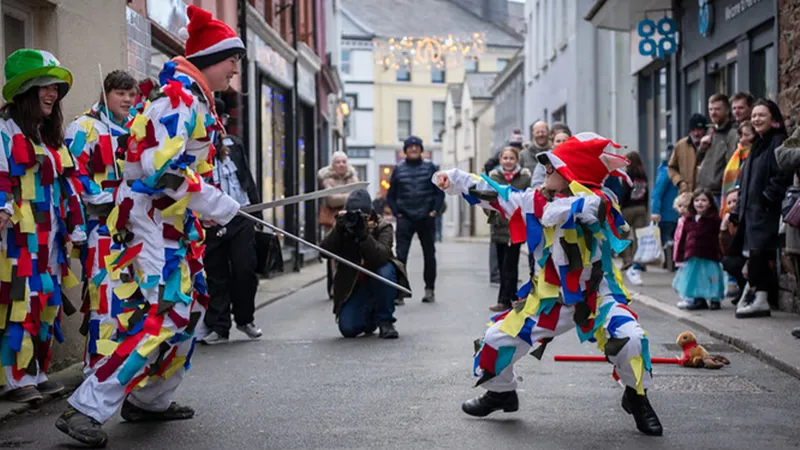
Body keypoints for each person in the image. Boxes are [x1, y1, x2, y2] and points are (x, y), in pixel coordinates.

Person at [57, 6, 246, 447]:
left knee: (191, 310)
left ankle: (150, 402)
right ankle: (85, 407)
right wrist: (215, 201)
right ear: (208, 59)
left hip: (177, 224)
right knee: (165, 314)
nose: (236, 68)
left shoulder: (195, 100)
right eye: (230, 59)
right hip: (151, 223)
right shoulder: (176, 101)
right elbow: (152, 171)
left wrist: (211, 203)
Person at [434, 132, 663, 437]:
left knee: (632, 339)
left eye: (553, 167)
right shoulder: (534, 200)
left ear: (573, 174)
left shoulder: (601, 199)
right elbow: (496, 192)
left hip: (596, 297)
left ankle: (637, 398)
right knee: (494, 340)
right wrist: (456, 178)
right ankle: (501, 393)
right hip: (549, 299)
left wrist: (561, 207)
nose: (546, 172)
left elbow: (589, 208)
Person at [0, 49, 86, 403]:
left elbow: (68, 186)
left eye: (55, 88)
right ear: (26, 92)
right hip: (17, 240)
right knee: (18, 301)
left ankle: (35, 369)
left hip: (50, 240)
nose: (52, 94)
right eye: (44, 87)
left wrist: (75, 225)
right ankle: (14, 378)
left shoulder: (48, 139)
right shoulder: (4, 131)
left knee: (46, 303)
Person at [65, 69, 136, 383]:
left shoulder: (137, 129)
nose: (127, 100)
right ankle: (98, 366)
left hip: (134, 228)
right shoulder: (84, 127)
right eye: (121, 93)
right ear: (105, 93)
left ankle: (124, 363)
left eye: (132, 95)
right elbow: (72, 173)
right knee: (104, 297)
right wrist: (101, 195)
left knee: (133, 297)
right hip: (101, 227)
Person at [199, 98, 262, 345]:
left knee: (245, 268)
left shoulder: (235, 145)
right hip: (211, 220)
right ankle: (219, 326)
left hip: (240, 214)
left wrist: (258, 217)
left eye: (221, 120)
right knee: (216, 273)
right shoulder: (196, 149)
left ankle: (245, 319)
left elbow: (247, 178)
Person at [320, 189, 409, 339]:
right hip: (355, 286)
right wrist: (338, 230)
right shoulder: (343, 226)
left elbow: (380, 256)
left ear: (371, 213)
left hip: (379, 280)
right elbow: (323, 252)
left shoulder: (383, 227)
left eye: (362, 216)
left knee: (385, 271)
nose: (357, 219)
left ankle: (386, 321)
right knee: (348, 329)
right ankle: (370, 317)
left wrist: (364, 236)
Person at [731, 99, 791, 319]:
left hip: (766, 210)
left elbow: (782, 175)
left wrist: (767, 198)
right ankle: (757, 296)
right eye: (754, 116)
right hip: (751, 210)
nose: (756, 119)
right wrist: (738, 209)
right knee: (753, 254)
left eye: (761, 115)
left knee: (758, 254)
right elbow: (746, 181)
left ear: (773, 119)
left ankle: (761, 299)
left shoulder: (777, 141)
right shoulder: (758, 144)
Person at [386, 136, 443, 304]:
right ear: (405, 150)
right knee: (401, 256)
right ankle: (400, 292)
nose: (413, 149)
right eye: (410, 147)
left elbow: (439, 192)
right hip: (406, 218)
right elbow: (391, 196)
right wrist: (398, 213)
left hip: (426, 217)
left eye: (416, 147)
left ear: (421, 149)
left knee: (429, 255)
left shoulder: (430, 167)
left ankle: (429, 290)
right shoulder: (398, 169)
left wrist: (434, 211)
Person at [486, 147, 531, 312]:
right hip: (499, 227)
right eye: (505, 158)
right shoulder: (494, 177)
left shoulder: (524, 177)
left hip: (516, 227)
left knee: (510, 265)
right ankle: (509, 297)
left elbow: (528, 198)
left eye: (511, 158)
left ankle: (505, 300)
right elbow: (487, 200)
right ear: (500, 160)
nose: (508, 161)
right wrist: (494, 215)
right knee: (501, 263)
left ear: (517, 160)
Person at [672, 189, 724, 310]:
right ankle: (699, 299)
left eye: (704, 200)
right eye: (697, 200)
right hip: (692, 255)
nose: (700, 203)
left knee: (712, 278)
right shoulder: (688, 219)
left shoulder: (714, 220)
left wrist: (721, 253)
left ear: (710, 203)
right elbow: (683, 239)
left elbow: (719, 238)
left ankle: (715, 299)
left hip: (709, 254)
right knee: (694, 278)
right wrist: (680, 256)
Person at [318, 151, 359, 300]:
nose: (341, 164)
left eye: (343, 161)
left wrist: (341, 195)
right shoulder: (326, 178)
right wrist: (349, 195)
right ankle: (335, 287)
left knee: (350, 253)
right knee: (333, 255)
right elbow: (331, 200)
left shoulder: (353, 177)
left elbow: (357, 198)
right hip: (332, 222)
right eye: (338, 162)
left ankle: (350, 286)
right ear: (332, 164)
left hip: (351, 221)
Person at [697, 94, 739, 201]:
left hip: (721, 193)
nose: (713, 113)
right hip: (705, 192)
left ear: (727, 110)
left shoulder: (733, 133)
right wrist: (701, 149)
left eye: (717, 109)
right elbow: (697, 161)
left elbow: (732, 164)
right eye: (710, 109)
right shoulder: (711, 131)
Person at [619, 151, 648, 286]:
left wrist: (619, 205)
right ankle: (638, 261)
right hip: (641, 208)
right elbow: (646, 193)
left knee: (622, 234)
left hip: (628, 208)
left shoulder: (628, 175)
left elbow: (625, 192)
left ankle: (628, 259)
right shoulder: (643, 175)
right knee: (639, 236)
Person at [651, 146, 679, 271]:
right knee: (669, 240)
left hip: (673, 213)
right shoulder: (666, 171)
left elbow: (657, 192)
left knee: (670, 240)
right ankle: (670, 264)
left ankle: (671, 264)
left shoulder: (667, 171)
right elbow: (658, 193)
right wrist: (655, 211)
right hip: (668, 214)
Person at [669, 113, 709, 194]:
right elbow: (671, 168)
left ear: (705, 130)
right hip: (686, 194)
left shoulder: (711, 144)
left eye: (699, 130)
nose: (696, 133)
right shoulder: (680, 146)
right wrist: (680, 182)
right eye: (693, 130)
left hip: (705, 194)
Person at [719, 188, 746, 303]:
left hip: (749, 256)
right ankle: (742, 289)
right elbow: (727, 250)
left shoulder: (746, 218)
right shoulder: (730, 221)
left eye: (735, 201)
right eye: (729, 202)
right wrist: (724, 228)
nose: (732, 205)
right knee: (727, 261)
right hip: (738, 256)